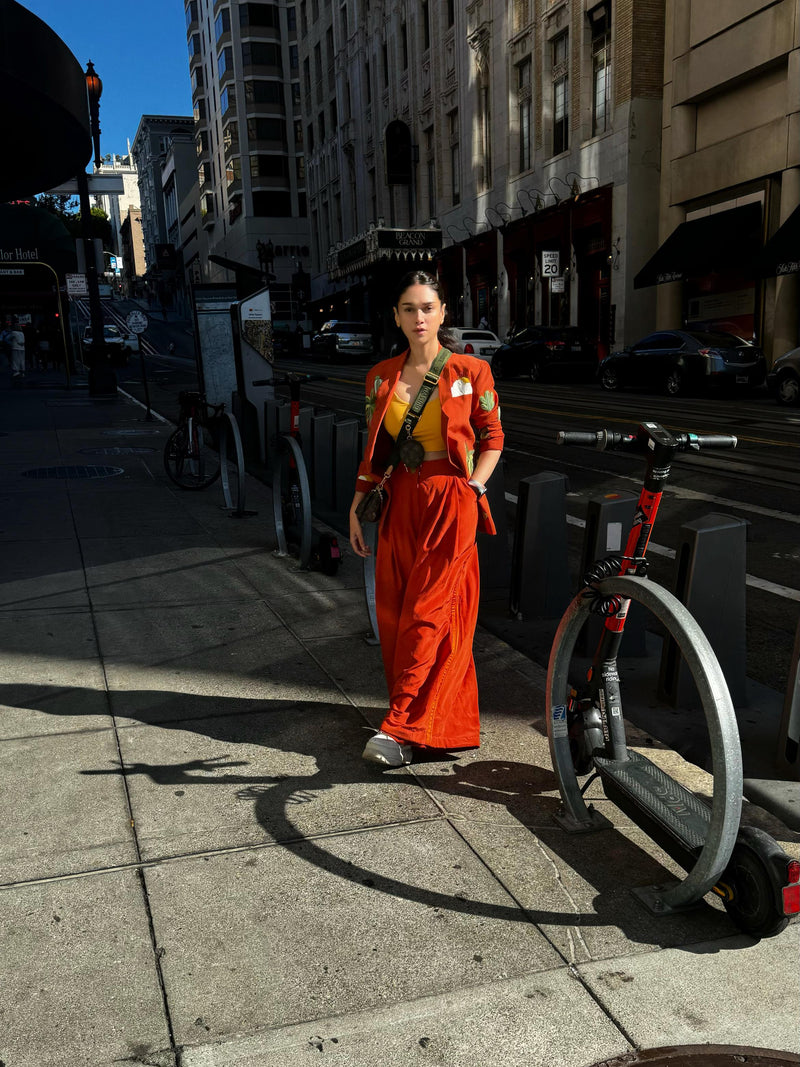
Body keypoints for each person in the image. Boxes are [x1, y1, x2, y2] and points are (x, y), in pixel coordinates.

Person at [349, 270, 504, 767]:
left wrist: (473, 486)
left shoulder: (469, 371)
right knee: (397, 613)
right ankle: (437, 723)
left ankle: (397, 727)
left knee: (430, 612)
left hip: (449, 503)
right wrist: (357, 505)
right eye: (409, 308)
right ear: (396, 316)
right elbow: (376, 451)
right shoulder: (380, 375)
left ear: (442, 313)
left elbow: (493, 438)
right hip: (398, 503)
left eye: (428, 307)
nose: (419, 317)